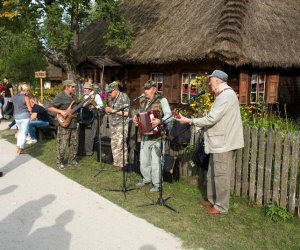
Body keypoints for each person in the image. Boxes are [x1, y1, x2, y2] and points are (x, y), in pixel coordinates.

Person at [176, 70, 244, 214]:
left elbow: (211, 119)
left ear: (218, 81)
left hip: (224, 143)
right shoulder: (223, 95)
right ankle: (213, 200)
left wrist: (189, 121)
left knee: (221, 176)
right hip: (218, 142)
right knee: (212, 173)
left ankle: (221, 207)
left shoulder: (226, 96)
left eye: (211, 80)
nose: (209, 83)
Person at [132, 80, 172, 192]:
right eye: (145, 89)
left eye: (148, 89)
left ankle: (157, 184)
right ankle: (146, 179)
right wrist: (136, 119)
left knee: (155, 161)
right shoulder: (142, 100)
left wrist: (160, 120)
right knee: (144, 160)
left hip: (157, 136)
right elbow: (139, 114)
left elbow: (169, 115)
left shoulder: (162, 100)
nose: (145, 91)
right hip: (144, 134)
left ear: (154, 89)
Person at [47, 80, 79, 170]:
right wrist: (61, 111)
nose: (74, 88)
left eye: (74, 87)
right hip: (64, 124)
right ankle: (59, 162)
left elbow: (79, 104)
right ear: (67, 87)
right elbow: (49, 107)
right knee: (62, 144)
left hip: (73, 122)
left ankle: (72, 161)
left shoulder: (74, 96)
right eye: (72, 87)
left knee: (74, 144)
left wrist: (89, 102)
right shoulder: (60, 96)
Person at [105, 81, 130, 169]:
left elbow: (127, 113)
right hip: (114, 124)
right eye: (108, 92)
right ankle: (116, 163)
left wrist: (112, 111)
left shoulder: (124, 97)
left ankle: (122, 163)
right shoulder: (113, 98)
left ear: (115, 90)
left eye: (110, 92)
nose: (109, 93)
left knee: (121, 144)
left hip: (121, 124)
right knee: (114, 144)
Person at [82, 82, 104, 156]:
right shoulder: (84, 96)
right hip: (85, 117)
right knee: (85, 134)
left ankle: (88, 152)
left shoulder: (96, 96)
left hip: (93, 117)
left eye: (85, 88)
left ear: (89, 89)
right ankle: (84, 150)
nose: (84, 90)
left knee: (90, 135)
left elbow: (101, 107)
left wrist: (94, 106)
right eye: (84, 88)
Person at [12, 83, 32, 154]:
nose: (28, 92)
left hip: (16, 117)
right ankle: (21, 148)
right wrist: (31, 112)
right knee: (24, 133)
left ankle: (18, 146)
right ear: (24, 90)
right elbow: (29, 109)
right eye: (28, 90)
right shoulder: (26, 97)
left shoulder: (14, 97)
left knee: (20, 132)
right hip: (25, 116)